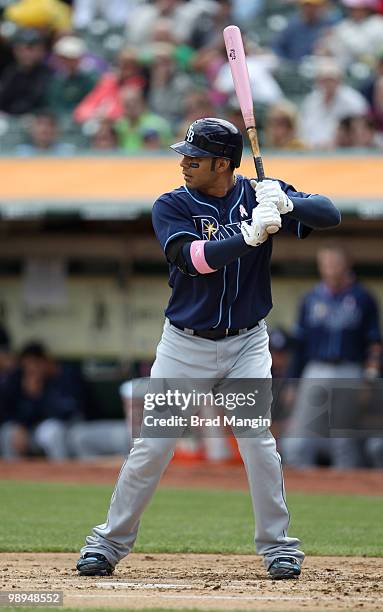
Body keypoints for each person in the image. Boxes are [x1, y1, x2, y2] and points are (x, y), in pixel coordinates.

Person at [76, 117, 340, 580]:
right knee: (154, 445)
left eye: (194, 157)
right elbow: (193, 260)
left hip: (246, 344)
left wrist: (287, 201)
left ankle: (279, 548)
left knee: (257, 443)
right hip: (185, 347)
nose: (184, 163)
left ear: (223, 163)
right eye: (185, 155)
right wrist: (249, 235)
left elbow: (330, 214)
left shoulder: (260, 192)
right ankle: (107, 544)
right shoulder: (171, 205)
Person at [281, 246, 382, 468]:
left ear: (347, 264)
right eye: (325, 264)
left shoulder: (363, 298)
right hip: (315, 368)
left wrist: (369, 379)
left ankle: (346, 494)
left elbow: (374, 344)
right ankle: (305, 492)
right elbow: (300, 345)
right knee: (298, 440)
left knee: (343, 440)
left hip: (350, 369)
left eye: (334, 263)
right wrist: (292, 382)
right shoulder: (311, 297)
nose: (329, 269)